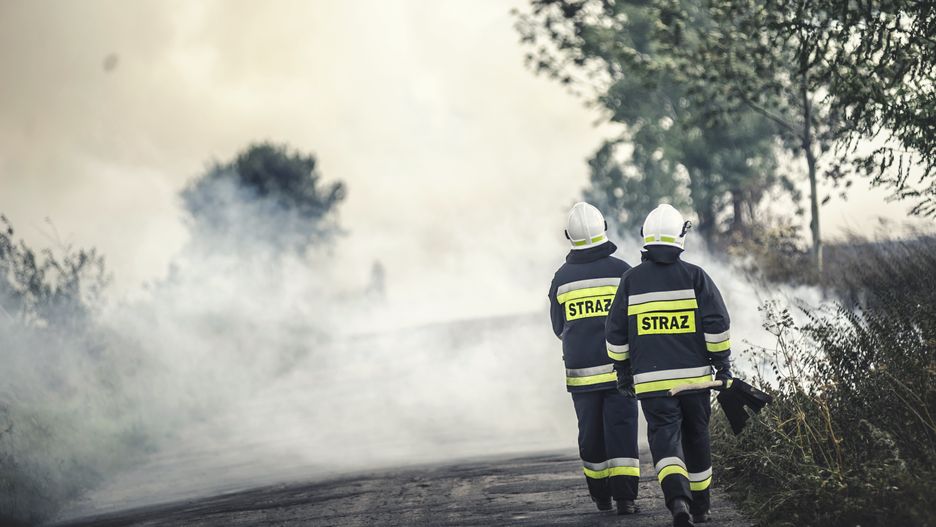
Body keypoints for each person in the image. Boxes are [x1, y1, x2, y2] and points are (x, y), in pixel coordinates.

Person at [605, 204, 732, 527]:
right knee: (697, 438)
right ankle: (701, 508)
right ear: (680, 237)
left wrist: (622, 371)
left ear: (646, 238)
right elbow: (717, 324)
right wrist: (722, 365)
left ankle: (678, 501)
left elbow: (615, 334)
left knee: (665, 441)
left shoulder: (631, 280)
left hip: (652, 385)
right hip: (695, 382)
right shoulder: (695, 277)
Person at [547, 202, 640, 515]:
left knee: (591, 436)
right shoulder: (623, 272)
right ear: (604, 229)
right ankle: (626, 499)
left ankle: (601, 497)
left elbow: (558, 328)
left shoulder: (561, 278)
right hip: (620, 374)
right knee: (623, 431)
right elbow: (636, 323)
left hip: (582, 376)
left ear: (567, 236)